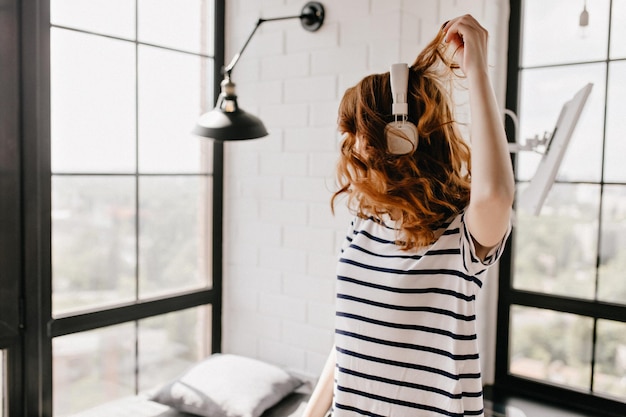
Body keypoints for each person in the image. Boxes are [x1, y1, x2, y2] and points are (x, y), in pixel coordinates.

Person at [302, 14, 515, 417]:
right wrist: (309, 413)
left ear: (400, 137)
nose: (347, 143)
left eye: (355, 128)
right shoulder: (363, 227)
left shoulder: (461, 235)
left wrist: (477, 73)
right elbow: (351, 335)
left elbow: (496, 194)